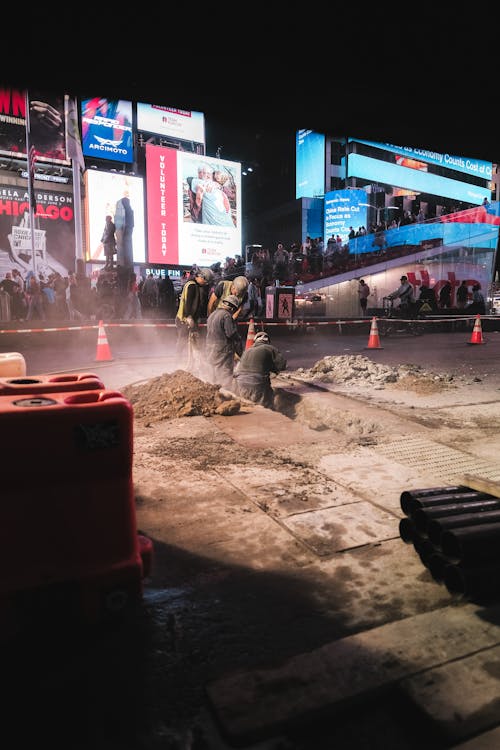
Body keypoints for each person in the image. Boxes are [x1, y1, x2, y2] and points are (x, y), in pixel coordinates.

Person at [234, 330, 287, 409]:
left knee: (247, 407)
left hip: (240, 383)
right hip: (257, 383)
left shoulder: (247, 351)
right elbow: (282, 365)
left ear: (255, 341)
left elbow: (238, 368)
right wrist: (272, 368)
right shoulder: (270, 348)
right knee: (266, 404)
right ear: (267, 341)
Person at [205, 295, 243, 389]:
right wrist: (240, 350)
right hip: (222, 349)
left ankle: (213, 391)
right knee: (225, 372)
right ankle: (226, 393)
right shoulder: (226, 316)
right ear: (232, 308)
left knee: (213, 371)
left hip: (210, 348)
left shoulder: (213, 315)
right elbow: (231, 334)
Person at [175, 267, 214, 358]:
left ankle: (194, 362)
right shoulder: (192, 286)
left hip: (191, 319)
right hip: (184, 320)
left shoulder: (195, 285)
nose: (205, 284)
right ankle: (178, 361)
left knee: (195, 340)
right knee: (183, 341)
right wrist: (189, 317)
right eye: (205, 282)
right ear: (201, 277)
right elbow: (188, 303)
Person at [115, 191, 134, 268]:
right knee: (126, 247)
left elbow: (129, 222)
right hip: (127, 230)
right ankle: (125, 262)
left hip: (127, 230)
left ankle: (125, 263)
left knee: (125, 247)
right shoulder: (129, 210)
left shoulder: (128, 211)